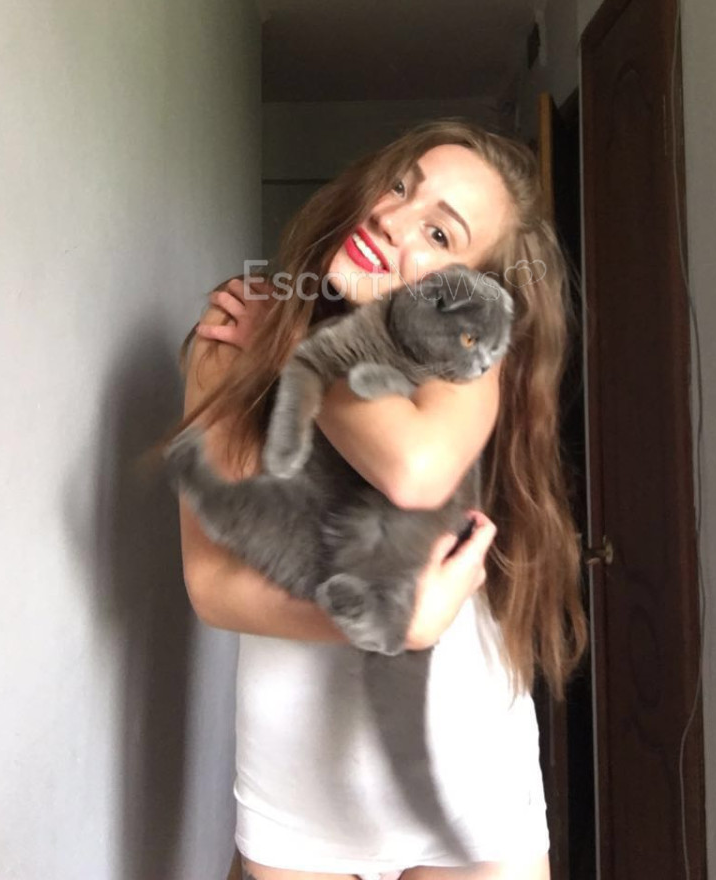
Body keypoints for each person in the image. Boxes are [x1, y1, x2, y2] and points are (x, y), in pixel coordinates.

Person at [174, 119, 586, 880]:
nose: (392, 219)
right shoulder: (234, 340)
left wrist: (292, 352)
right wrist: (389, 619)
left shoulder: (463, 359)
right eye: (400, 186)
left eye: (439, 232)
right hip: (296, 795)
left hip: (471, 793)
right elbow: (213, 587)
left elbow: (414, 469)